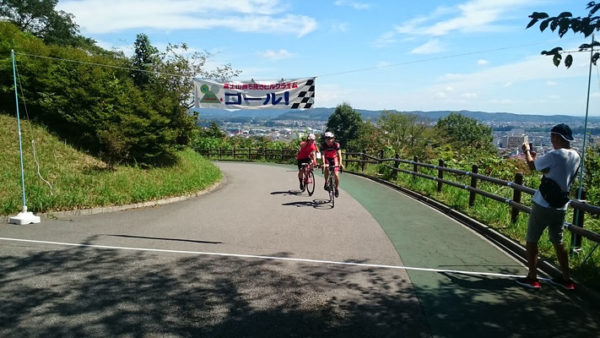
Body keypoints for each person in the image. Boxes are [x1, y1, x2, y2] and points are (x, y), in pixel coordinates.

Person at [516, 123, 581, 290]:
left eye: (552, 136)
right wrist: (536, 159)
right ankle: (567, 279)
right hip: (560, 205)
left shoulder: (555, 154)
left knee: (531, 240)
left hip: (543, 203)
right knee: (558, 241)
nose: (551, 140)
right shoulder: (575, 156)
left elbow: (532, 167)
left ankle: (532, 277)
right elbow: (552, 173)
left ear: (558, 137)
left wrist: (527, 152)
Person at [320, 131, 344, 197]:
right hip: (327, 158)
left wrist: (340, 163)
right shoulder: (323, 145)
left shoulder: (336, 144)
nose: (328, 140)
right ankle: (326, 182)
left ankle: (336, 188)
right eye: (326, 139)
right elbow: (322, 155)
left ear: (333, 139)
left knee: (336, 174)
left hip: (334, 158)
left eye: (329, 139)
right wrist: (323, 163)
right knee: (327, 168)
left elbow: (339, 155)